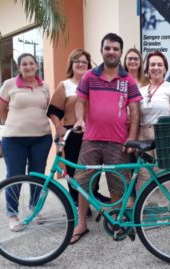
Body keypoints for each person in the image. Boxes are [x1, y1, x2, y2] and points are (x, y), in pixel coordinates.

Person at [70, 33, 142, 244]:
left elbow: (135, 112)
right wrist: (80, 120)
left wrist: (131, 138)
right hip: (91, 139)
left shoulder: (128, 80)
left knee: (118, 186)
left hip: (118, 143)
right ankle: (81, 223)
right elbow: (80, 102)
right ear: (102, 50)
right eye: (108, 48)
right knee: (83, 184)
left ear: (120, 52)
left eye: (115, 49)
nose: (111, 52)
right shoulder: (90, 76)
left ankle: (116, 221)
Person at [47, 49, 109, 213]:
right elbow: (53, 111)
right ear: (72, 64)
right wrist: (59, 128)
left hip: (93, 133)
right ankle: (76, 202)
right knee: (74, 169)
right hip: (72, 133)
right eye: (77, 61)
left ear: (88, 65)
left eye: (84, 62)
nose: (81, 64)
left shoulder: (94, 84)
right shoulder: (65, 86)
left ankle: (91, 196)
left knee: (93, 167)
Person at [0, 53, 52, 232]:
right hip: (14, 140)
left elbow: (46, 109)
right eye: (24, 64)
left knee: (38, 176)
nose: (28, 67)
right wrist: (14, 125)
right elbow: (0, 110)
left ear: (37, 66)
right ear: (19, 68)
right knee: (15, 176)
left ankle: (35, 210)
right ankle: (12, 214)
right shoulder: (9, 85)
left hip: (41, 138)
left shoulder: (45, 87)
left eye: (31, 63)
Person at [136, 51, 170, 197]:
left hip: (163, 132)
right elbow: (136, 116)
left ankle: (162, 211)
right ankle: (143, 209)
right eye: (152, 64)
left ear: (165, 68)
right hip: (144, 133)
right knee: (143, 172)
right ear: (147, 68)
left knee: (164, 172)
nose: (156, 67)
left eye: (159, 64)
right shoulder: (141, 90)